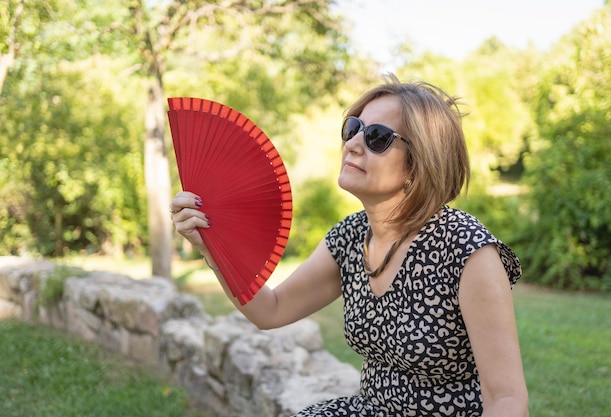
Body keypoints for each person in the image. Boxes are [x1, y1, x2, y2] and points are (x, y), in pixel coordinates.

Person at [170, 74, 529, 417]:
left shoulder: (467, 249)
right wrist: (211, 248)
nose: (353, 144)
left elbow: (507, 399)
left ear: (420, 163)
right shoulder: (351, 237)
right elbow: (272, 310)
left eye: (377, 137)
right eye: (352, 128)